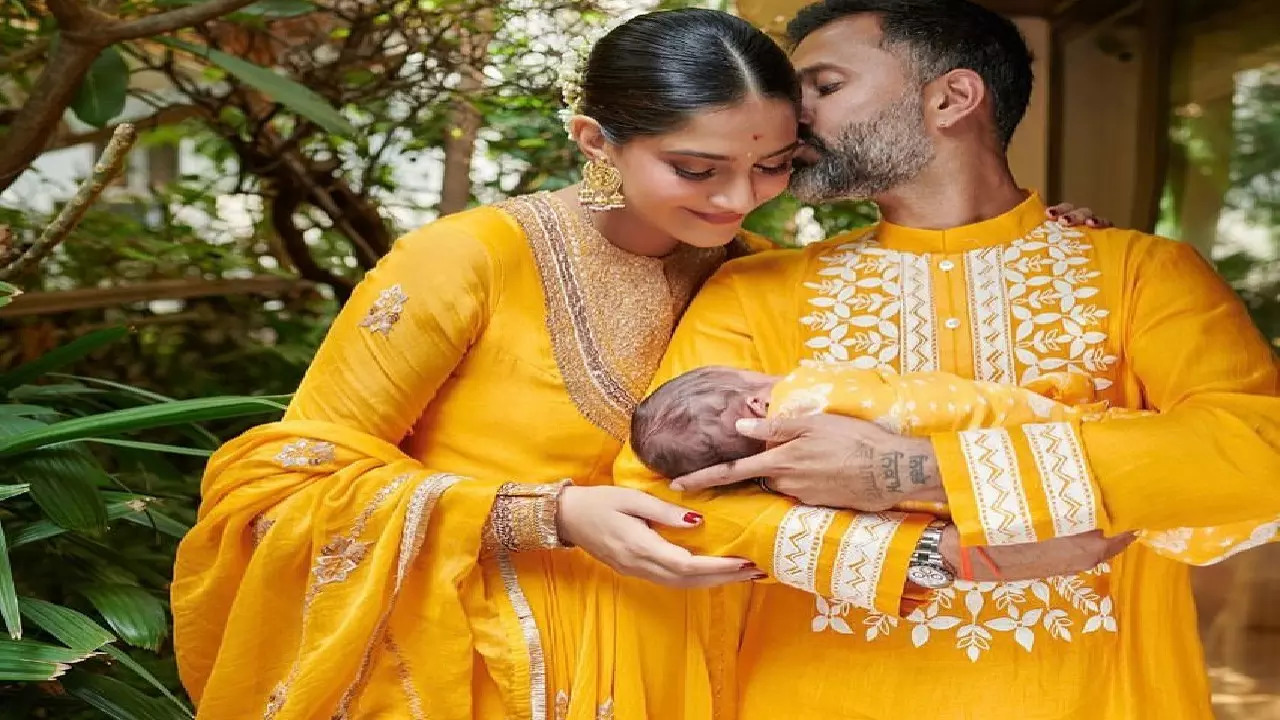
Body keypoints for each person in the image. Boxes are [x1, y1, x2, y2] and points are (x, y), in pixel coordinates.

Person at [170, 7, 1111, 719]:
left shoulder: (754, 281)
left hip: (691, 666)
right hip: (489, 669)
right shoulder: (470, 259)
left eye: (775, 165)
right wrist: (554, 514)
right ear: (595, 141)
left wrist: (1033, 244)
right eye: (695, 170)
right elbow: (283, 482)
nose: (740, 199)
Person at [612, 0, 1280, 717]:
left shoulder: (1139, 272)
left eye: (825, 86)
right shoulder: (755, 290)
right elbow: (663, 498)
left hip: (1096, 695)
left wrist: (906, 471)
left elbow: (1256, 453)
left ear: (952, 97)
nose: (791, 116)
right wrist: (935, 555)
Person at [631, 361, 1272, 565]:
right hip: (1099, 449)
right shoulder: (808, 396)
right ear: (755, 402)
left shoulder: (798, 487)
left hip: (1031, 531)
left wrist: (914, 472)